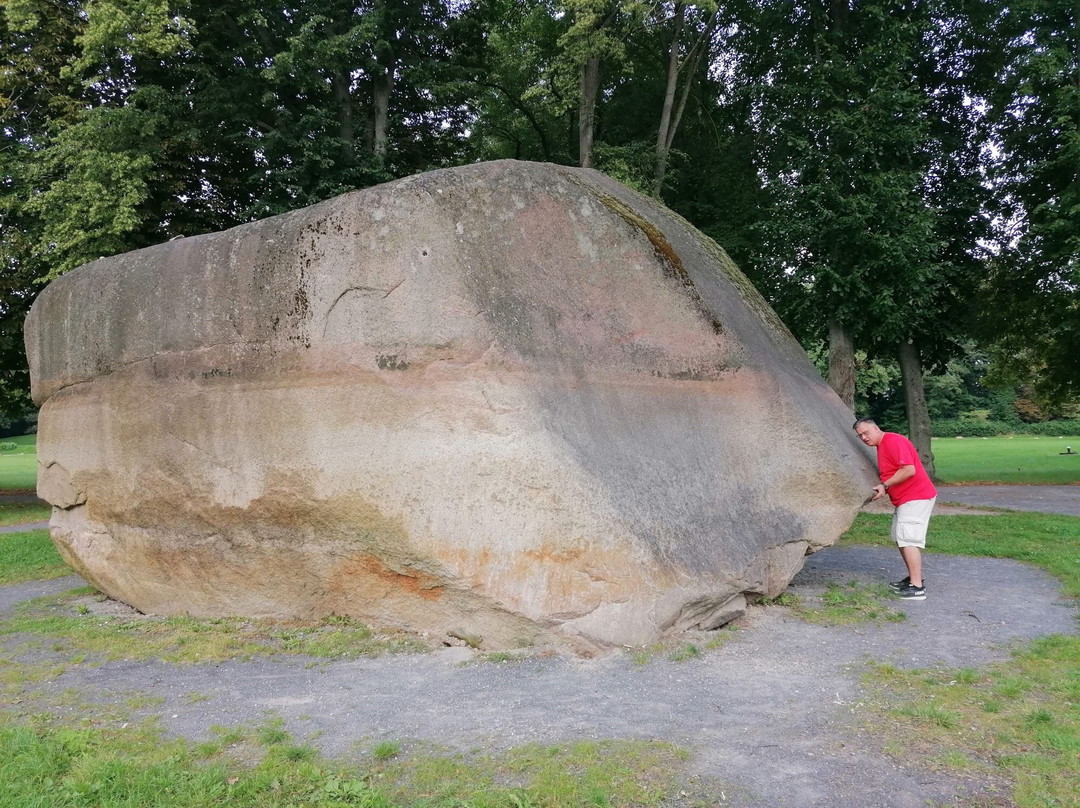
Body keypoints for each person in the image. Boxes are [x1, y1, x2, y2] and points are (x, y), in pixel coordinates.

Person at [853, 417, 937, 600]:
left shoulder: (893, 441)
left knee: (908, 539)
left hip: (916, 497)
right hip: (906, 499)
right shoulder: (882, 446)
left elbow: (909, 470)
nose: (864, 438)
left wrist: (885, 485)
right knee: (901, 538)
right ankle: (913, 579)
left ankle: (917, 588)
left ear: (876, 428)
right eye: (860, 436)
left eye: (866, 432)